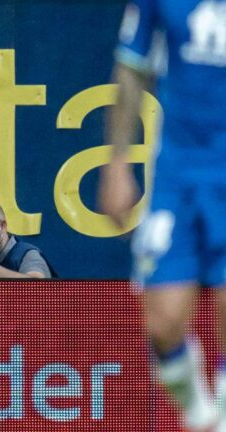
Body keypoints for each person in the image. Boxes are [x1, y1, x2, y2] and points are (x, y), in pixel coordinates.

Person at [98, 1, 226, 430]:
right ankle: (200, 414)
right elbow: (131, 67)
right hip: (179, 174)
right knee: (164, 322)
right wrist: (117, 165)